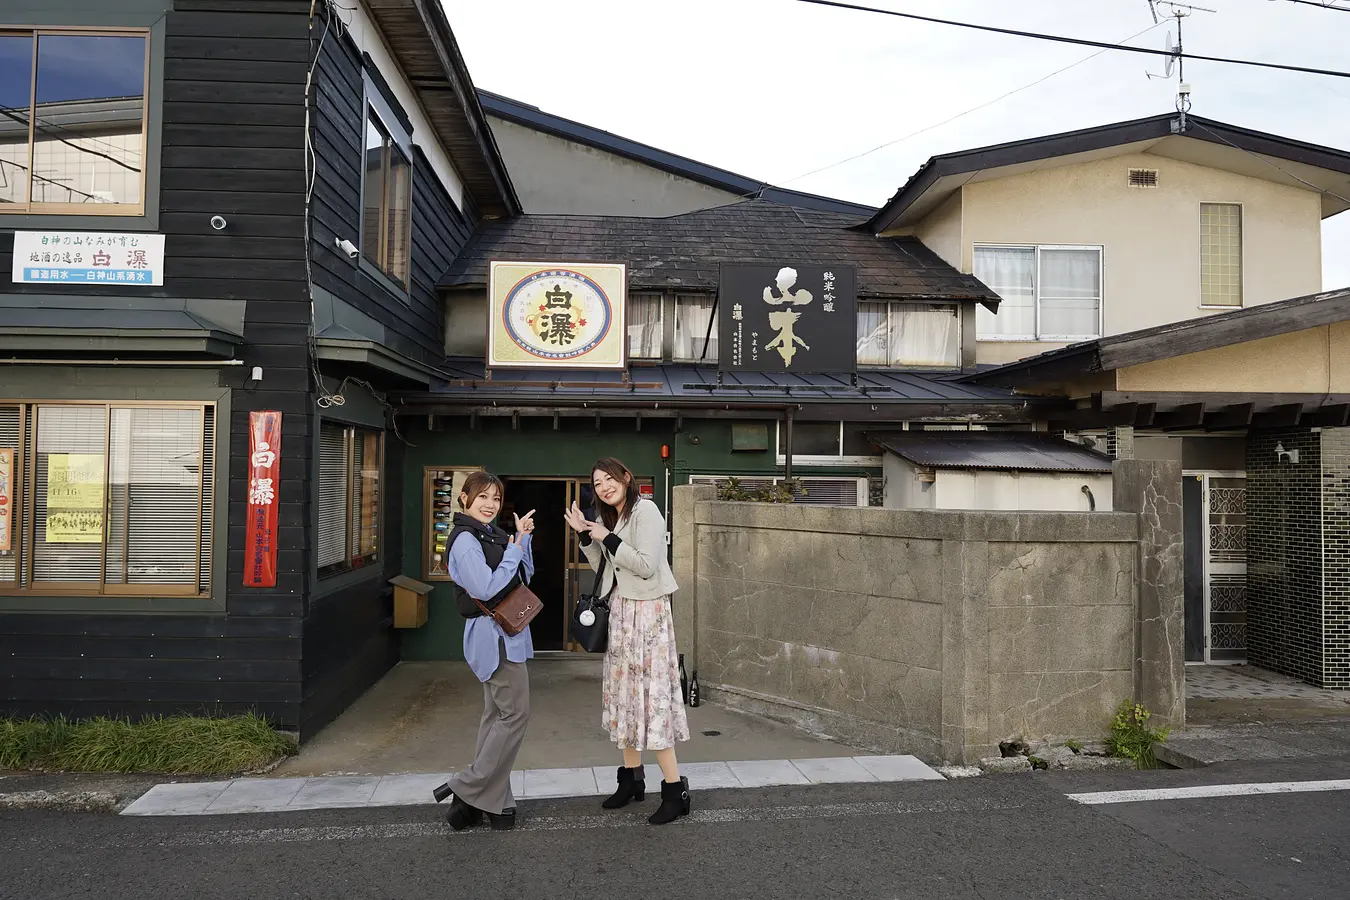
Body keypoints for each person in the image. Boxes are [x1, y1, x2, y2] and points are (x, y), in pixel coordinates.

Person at [563, 457, 691, 825]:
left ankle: (675, 790)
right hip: (621, 614)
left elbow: (647, 564)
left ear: (625, 478)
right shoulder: (611, 518)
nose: (604, 486)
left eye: (608, 479)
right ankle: (631, 780)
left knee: (651, 700)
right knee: (626, 696)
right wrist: (588, 536)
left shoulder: (645, 510)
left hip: (647, 613)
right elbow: (604, 567)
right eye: (597, 482)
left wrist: (608, 537)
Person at [434, 471, 535, 831]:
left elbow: (524, 575)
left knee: (496, 719)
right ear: (464, 499)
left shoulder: (490, 534)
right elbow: (488, 588)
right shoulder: (464, 539)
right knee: (515, 715)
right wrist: (515, 549)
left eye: (496, 498)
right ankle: (467, 785)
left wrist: (522, 540)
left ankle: (494, 803)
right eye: (483, 497)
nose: (490, 504)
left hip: (508, 635)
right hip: (493, 639)